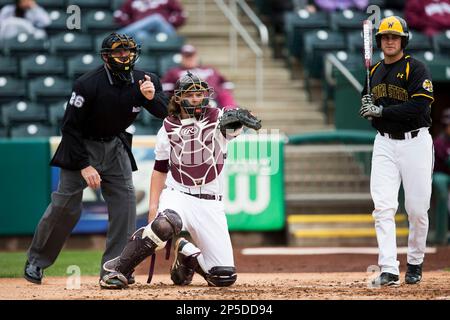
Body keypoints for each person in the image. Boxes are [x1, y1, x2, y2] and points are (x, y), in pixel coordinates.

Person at [23, 33, 169, 288]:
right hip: (81, 145)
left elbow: (164, 112)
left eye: (129, 51)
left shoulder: (145, 80)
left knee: (125, 204)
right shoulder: (87, 83)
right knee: (65, 206)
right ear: (106, 56)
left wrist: (150, 97)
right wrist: (84, 165)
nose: (125, 56)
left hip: (115, 145)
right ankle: (36, 260)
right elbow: (69, 128)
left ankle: (116, 268)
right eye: (118, 52)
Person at [99, 72, 261, 289]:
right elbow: (160, 169)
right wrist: (154, 205)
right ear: (178, 97)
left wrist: (240, 115)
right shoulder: (167, 126)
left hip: (210, 202)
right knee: (165, 225)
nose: (197, 98)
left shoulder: (218, 117)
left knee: (223, 277)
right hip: (179, 195)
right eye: (191, 94)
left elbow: (233, 122)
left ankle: (187, 254)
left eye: (201, 93)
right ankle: (116, 270)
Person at [359, 16, 434, 286]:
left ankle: (415, 262)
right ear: (379, 41)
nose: (389, 41)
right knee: (383, 207)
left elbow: (419, 106)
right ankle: (388, 268)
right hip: (385, 143)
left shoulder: (416, 68)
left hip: (415, 142)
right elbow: (368, 104)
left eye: (395, 37)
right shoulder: (374, 71)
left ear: (403, 40)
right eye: (385, 37)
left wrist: (382, 110)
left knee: (416, 209)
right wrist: (367, 107)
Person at [162, 44, 237, 109]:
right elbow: (166, 90)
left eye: (192, 56)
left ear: (197, 57)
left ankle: (230, 113)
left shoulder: (209, 69)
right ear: (181, 58)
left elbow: (226, 83)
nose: (190, 59)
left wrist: (222, 91)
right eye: (187, 56)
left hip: (214, 97)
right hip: (191, 100)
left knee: (224, 94)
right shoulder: (174, 72)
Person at [114, 0, 186, 42]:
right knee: (140, 35)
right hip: (145, 32)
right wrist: (131, 23)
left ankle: (121, 35)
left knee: (156, 18)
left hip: (165, 31)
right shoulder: (132, 2)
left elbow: (182, 15)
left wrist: (170, 21)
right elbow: (118, 15)